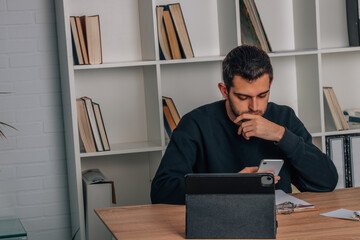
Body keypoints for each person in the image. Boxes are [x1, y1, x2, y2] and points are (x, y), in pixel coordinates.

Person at [151, 45, 338, 204]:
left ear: (270, 84)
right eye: (243, 97)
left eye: (262, 95)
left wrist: (281, 135)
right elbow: (162, 190)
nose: (254, 107)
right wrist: (231, 185)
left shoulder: (284, 118)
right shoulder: (195, 123)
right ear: (224, 91)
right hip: (219, 227)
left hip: (280, 226)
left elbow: (326, 182)